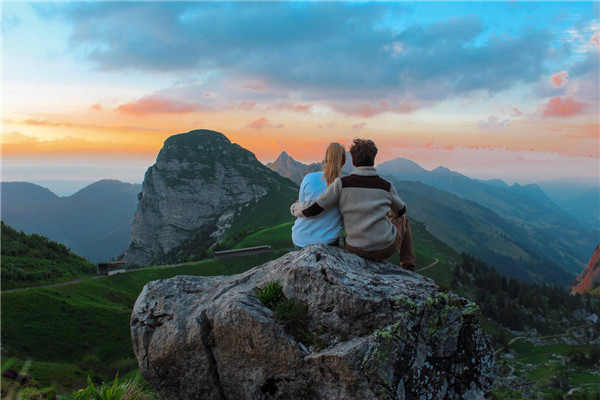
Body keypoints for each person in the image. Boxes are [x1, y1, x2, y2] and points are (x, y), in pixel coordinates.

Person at [290, 138, 416, 270]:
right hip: (384, 249)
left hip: (354, 248)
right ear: (373, 160)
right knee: (403, 219)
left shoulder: (342, 184)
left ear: (354, 161)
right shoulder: (386, 186)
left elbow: (315, 208)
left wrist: (294, 207)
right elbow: (401, 210)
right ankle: (408, 265)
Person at [291, 142, 346, 248]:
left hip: (300, 238)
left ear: (326, 159)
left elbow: (302, 205)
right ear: (343, 162)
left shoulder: (309, 178)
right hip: (327, 240)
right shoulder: (346, 183)